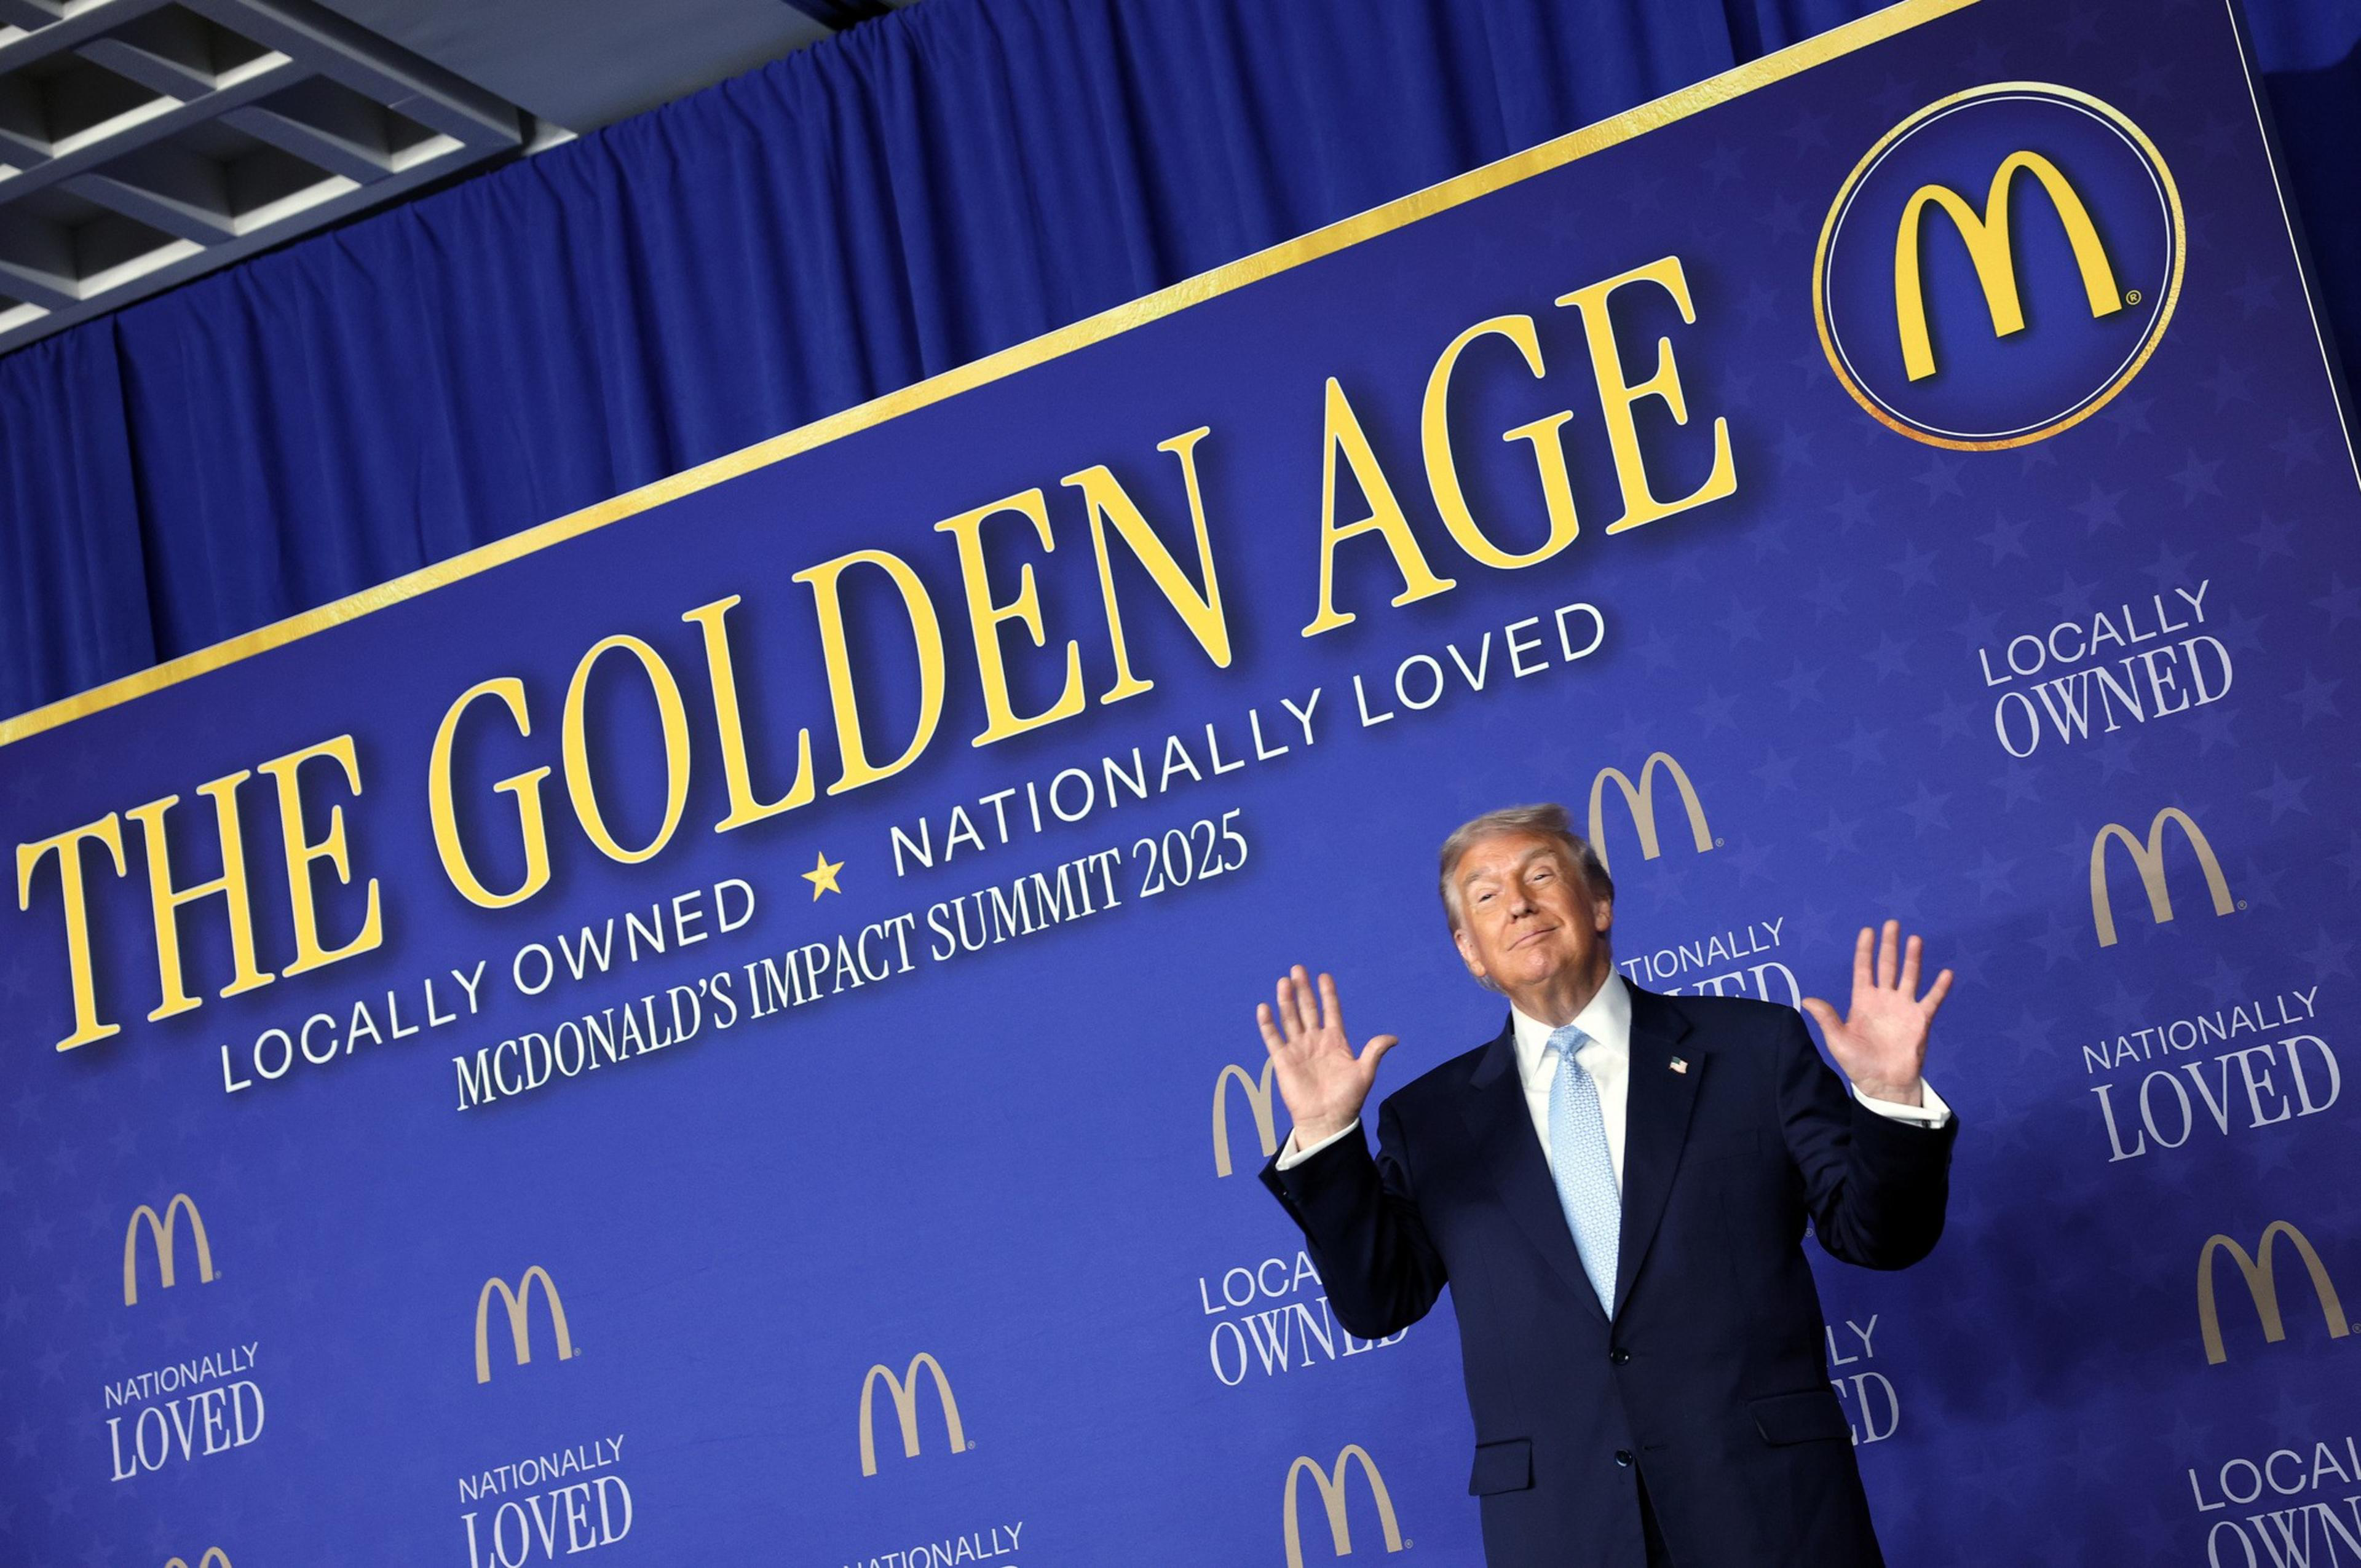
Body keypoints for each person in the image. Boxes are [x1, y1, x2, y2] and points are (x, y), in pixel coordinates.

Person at [1255, 803, 1956, 1568]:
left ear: (1599, 904)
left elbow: (1881, 1237)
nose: (1517, 902)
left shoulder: (1753, 1049)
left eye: (1541, 875)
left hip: (1771, 1510)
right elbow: (1380, 1300)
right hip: (1562, 1530)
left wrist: (1889, 1102)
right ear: (1470, 953)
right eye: (1485, 896)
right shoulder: (1429, 1122)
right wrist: (1326, 1139)